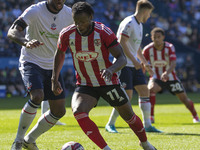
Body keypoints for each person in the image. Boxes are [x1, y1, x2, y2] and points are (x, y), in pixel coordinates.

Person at [52, 2, 156, 150]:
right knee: (78, 112)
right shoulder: (67, 34)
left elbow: (121, 58)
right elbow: (60, 54)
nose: (79, 25)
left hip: (108, 82)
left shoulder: (103, 32)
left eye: (83, 21)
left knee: (129, 116)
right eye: (76, 22)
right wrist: (54, 79)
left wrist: (111, 69)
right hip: (85, 84)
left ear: (91, 17)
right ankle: (105, 148)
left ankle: (145, 143)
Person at [7, 0, 73, 150]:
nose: (60, 1)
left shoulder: (69, 14)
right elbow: (12, 32)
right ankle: (18, 141)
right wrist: (25, 42)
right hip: (31, 61)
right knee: (37, 96)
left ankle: (29, 140)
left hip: (53, 65)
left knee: (59, 111)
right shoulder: (35, 10)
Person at [105, 0, 162, 133]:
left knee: (144, 91)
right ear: (144, 11)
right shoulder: (129, 23)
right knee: (127, 96)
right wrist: (135, 61)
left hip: (133, 65)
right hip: (124, 64)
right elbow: (122, 42)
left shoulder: (139, 25)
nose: (149, 16)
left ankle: (147, 125)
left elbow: (136, 47)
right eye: (149, 13)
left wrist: (144, 63)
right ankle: (110, 124)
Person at [142, 27, 200, 124]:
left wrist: (167, 73)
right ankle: (151, 117)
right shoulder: (148, 49)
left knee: (184, 99)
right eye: (154, 37)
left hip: (171, 78)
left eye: (159, 37)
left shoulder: (169, 47)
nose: (156, 39)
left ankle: (195, 116)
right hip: (156, 78)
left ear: (163, 37)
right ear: (151, 38)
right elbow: (143, 63)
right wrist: (142, 73)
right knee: (150, 89)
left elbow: (173, 63)